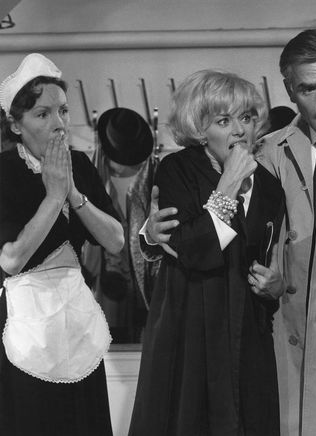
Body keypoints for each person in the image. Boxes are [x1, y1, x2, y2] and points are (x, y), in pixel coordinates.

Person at [143, 28, 316, 435]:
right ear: (289, 90)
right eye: (307, 89)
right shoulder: (264, 153)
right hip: (274, 351)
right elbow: (208, 230)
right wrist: (150, 235)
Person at [128, 70, 284, 436]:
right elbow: (194, 250)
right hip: (190, 324)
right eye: (224, 121)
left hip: (247, 331)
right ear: (200, 130)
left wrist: (275, 287)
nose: (239, 130)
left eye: (246, 118)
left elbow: (266, 257)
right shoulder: (177, 169)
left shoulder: (270, 186)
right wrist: (229, 184)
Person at [0, 53, 124, 435]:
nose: (59, 124)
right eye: (43, 114)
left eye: (64, 111)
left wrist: (72, 193)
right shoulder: (4, 171)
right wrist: (53, 197)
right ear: (16, 125)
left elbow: (115, 240)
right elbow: (11, 258)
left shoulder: (80, 165)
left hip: (77, 318)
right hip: (28, 324)